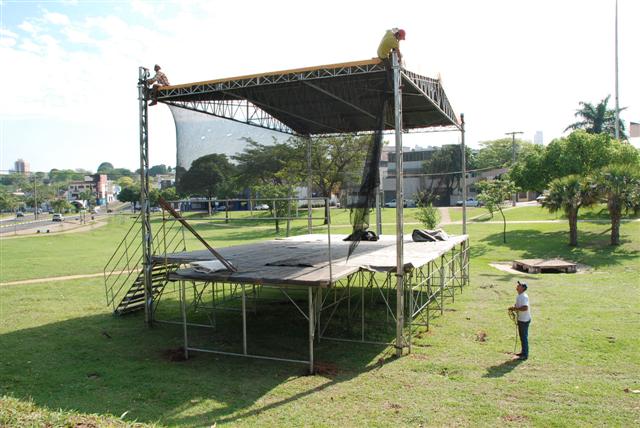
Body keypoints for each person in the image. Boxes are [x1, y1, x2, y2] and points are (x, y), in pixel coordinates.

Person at [509, 281, 531, 360]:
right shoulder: (519, 296)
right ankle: (523, 352)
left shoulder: (523, 296)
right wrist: (514, 307)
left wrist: (515, 308)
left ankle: (525, 354)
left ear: (523, 288)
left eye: (519, 285)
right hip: (521, 319)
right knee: (522, 336)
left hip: (524, 320)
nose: (517, 286)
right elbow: (519, 306)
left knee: (524, 337)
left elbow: (525, 308)